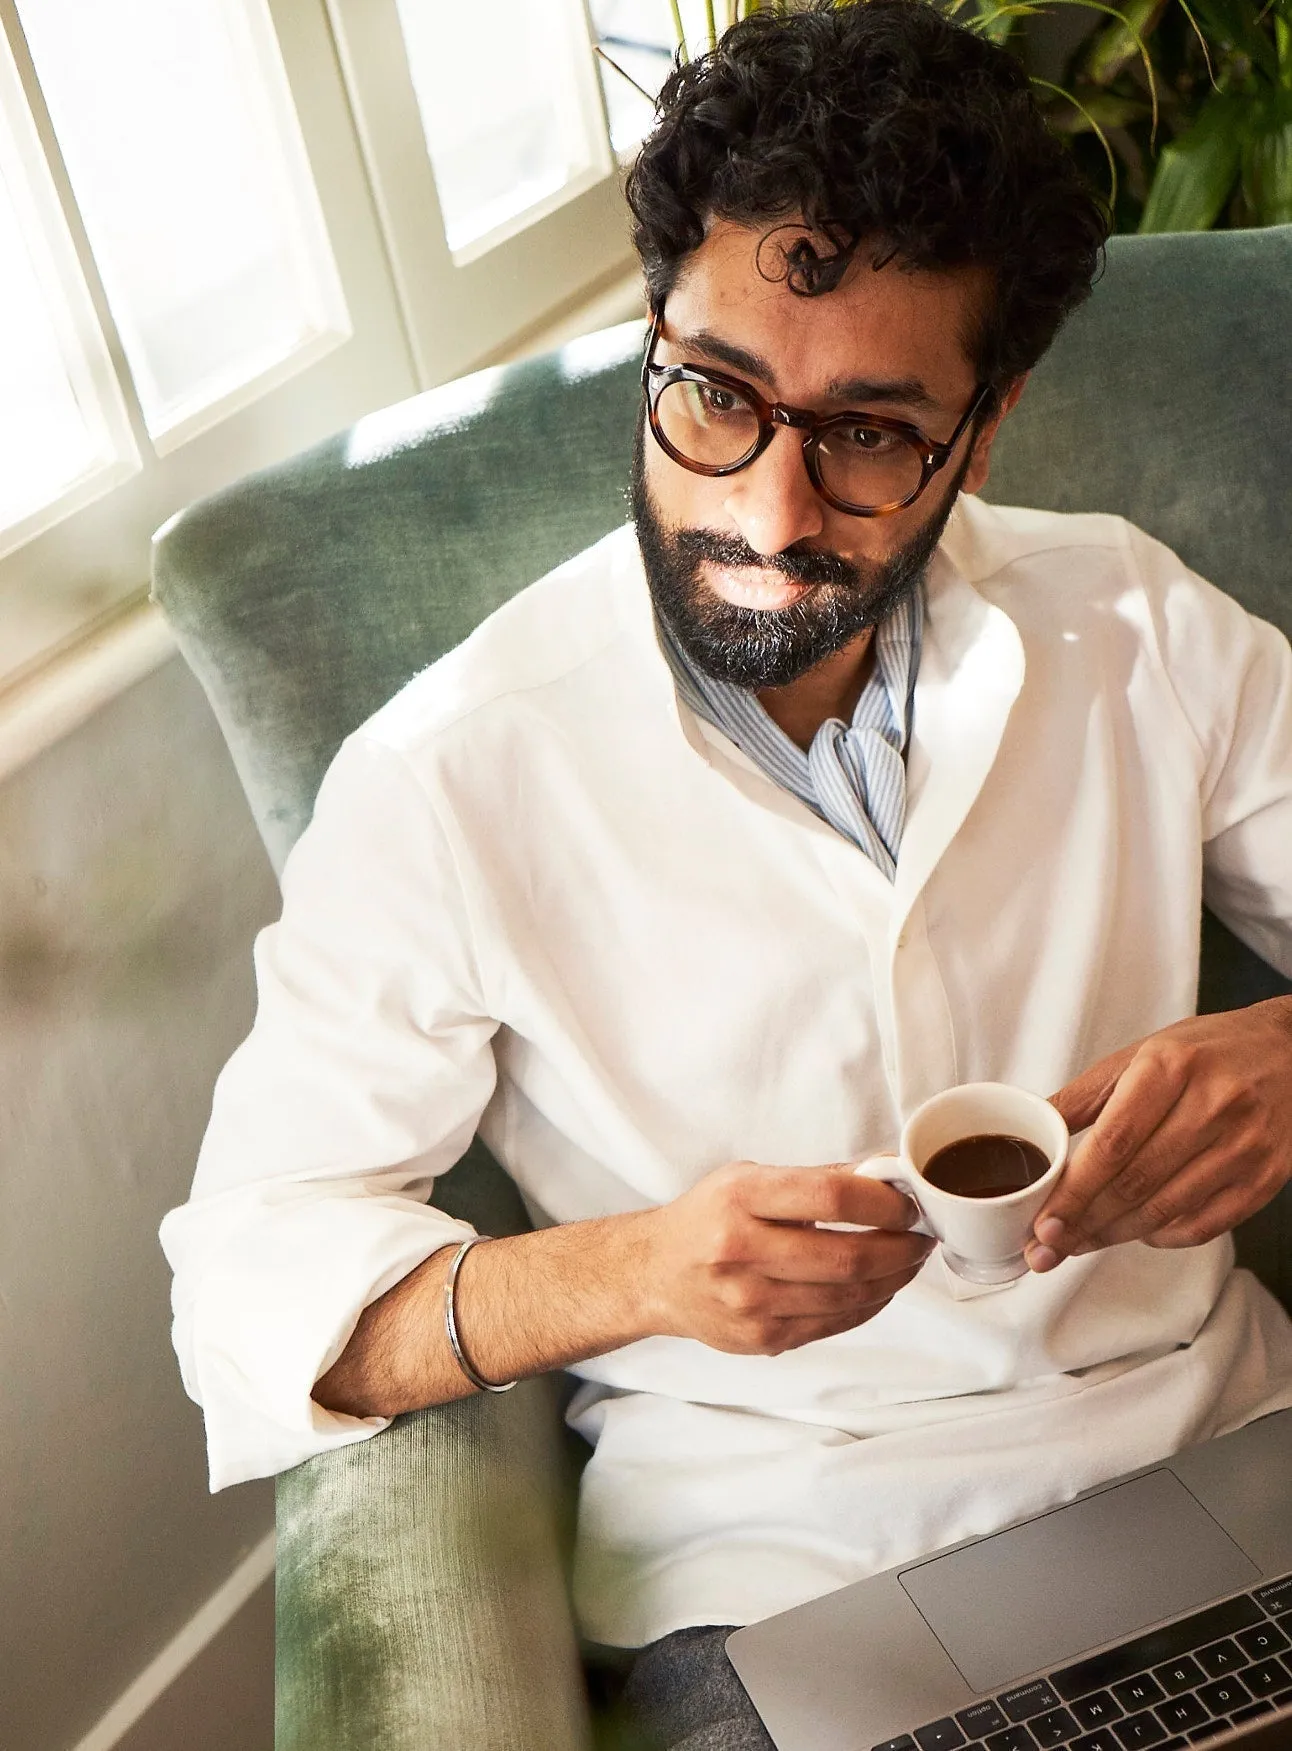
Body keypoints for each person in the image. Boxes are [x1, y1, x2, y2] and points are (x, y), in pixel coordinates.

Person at [160, 3, 1292, 1745]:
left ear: (979, 436)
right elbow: (245, 1281)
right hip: (788, 1581)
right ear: (655, 343)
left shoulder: (1132, 619)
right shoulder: (451, 772)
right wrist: (632, 1275)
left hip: (1215, 1471)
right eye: (717, 397)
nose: (768, 516)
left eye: (868, 432)